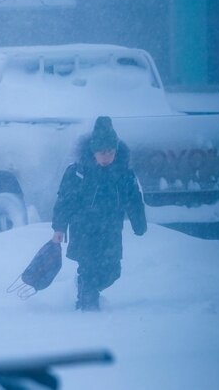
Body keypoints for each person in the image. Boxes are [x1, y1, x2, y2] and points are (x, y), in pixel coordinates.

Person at [51, 116, 147, 311]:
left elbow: (134, 199)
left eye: (110, 152)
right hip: (84, 229)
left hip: (111, 230)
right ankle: (87, 306)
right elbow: (64, 201)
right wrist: (59, 228)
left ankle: (87, 289)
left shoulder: (123, 173)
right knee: (88, 268)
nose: (106, 157)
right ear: (93, 151)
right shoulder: (78, 172)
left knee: (112, 271)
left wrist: (139, 223)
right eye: (102, 153)